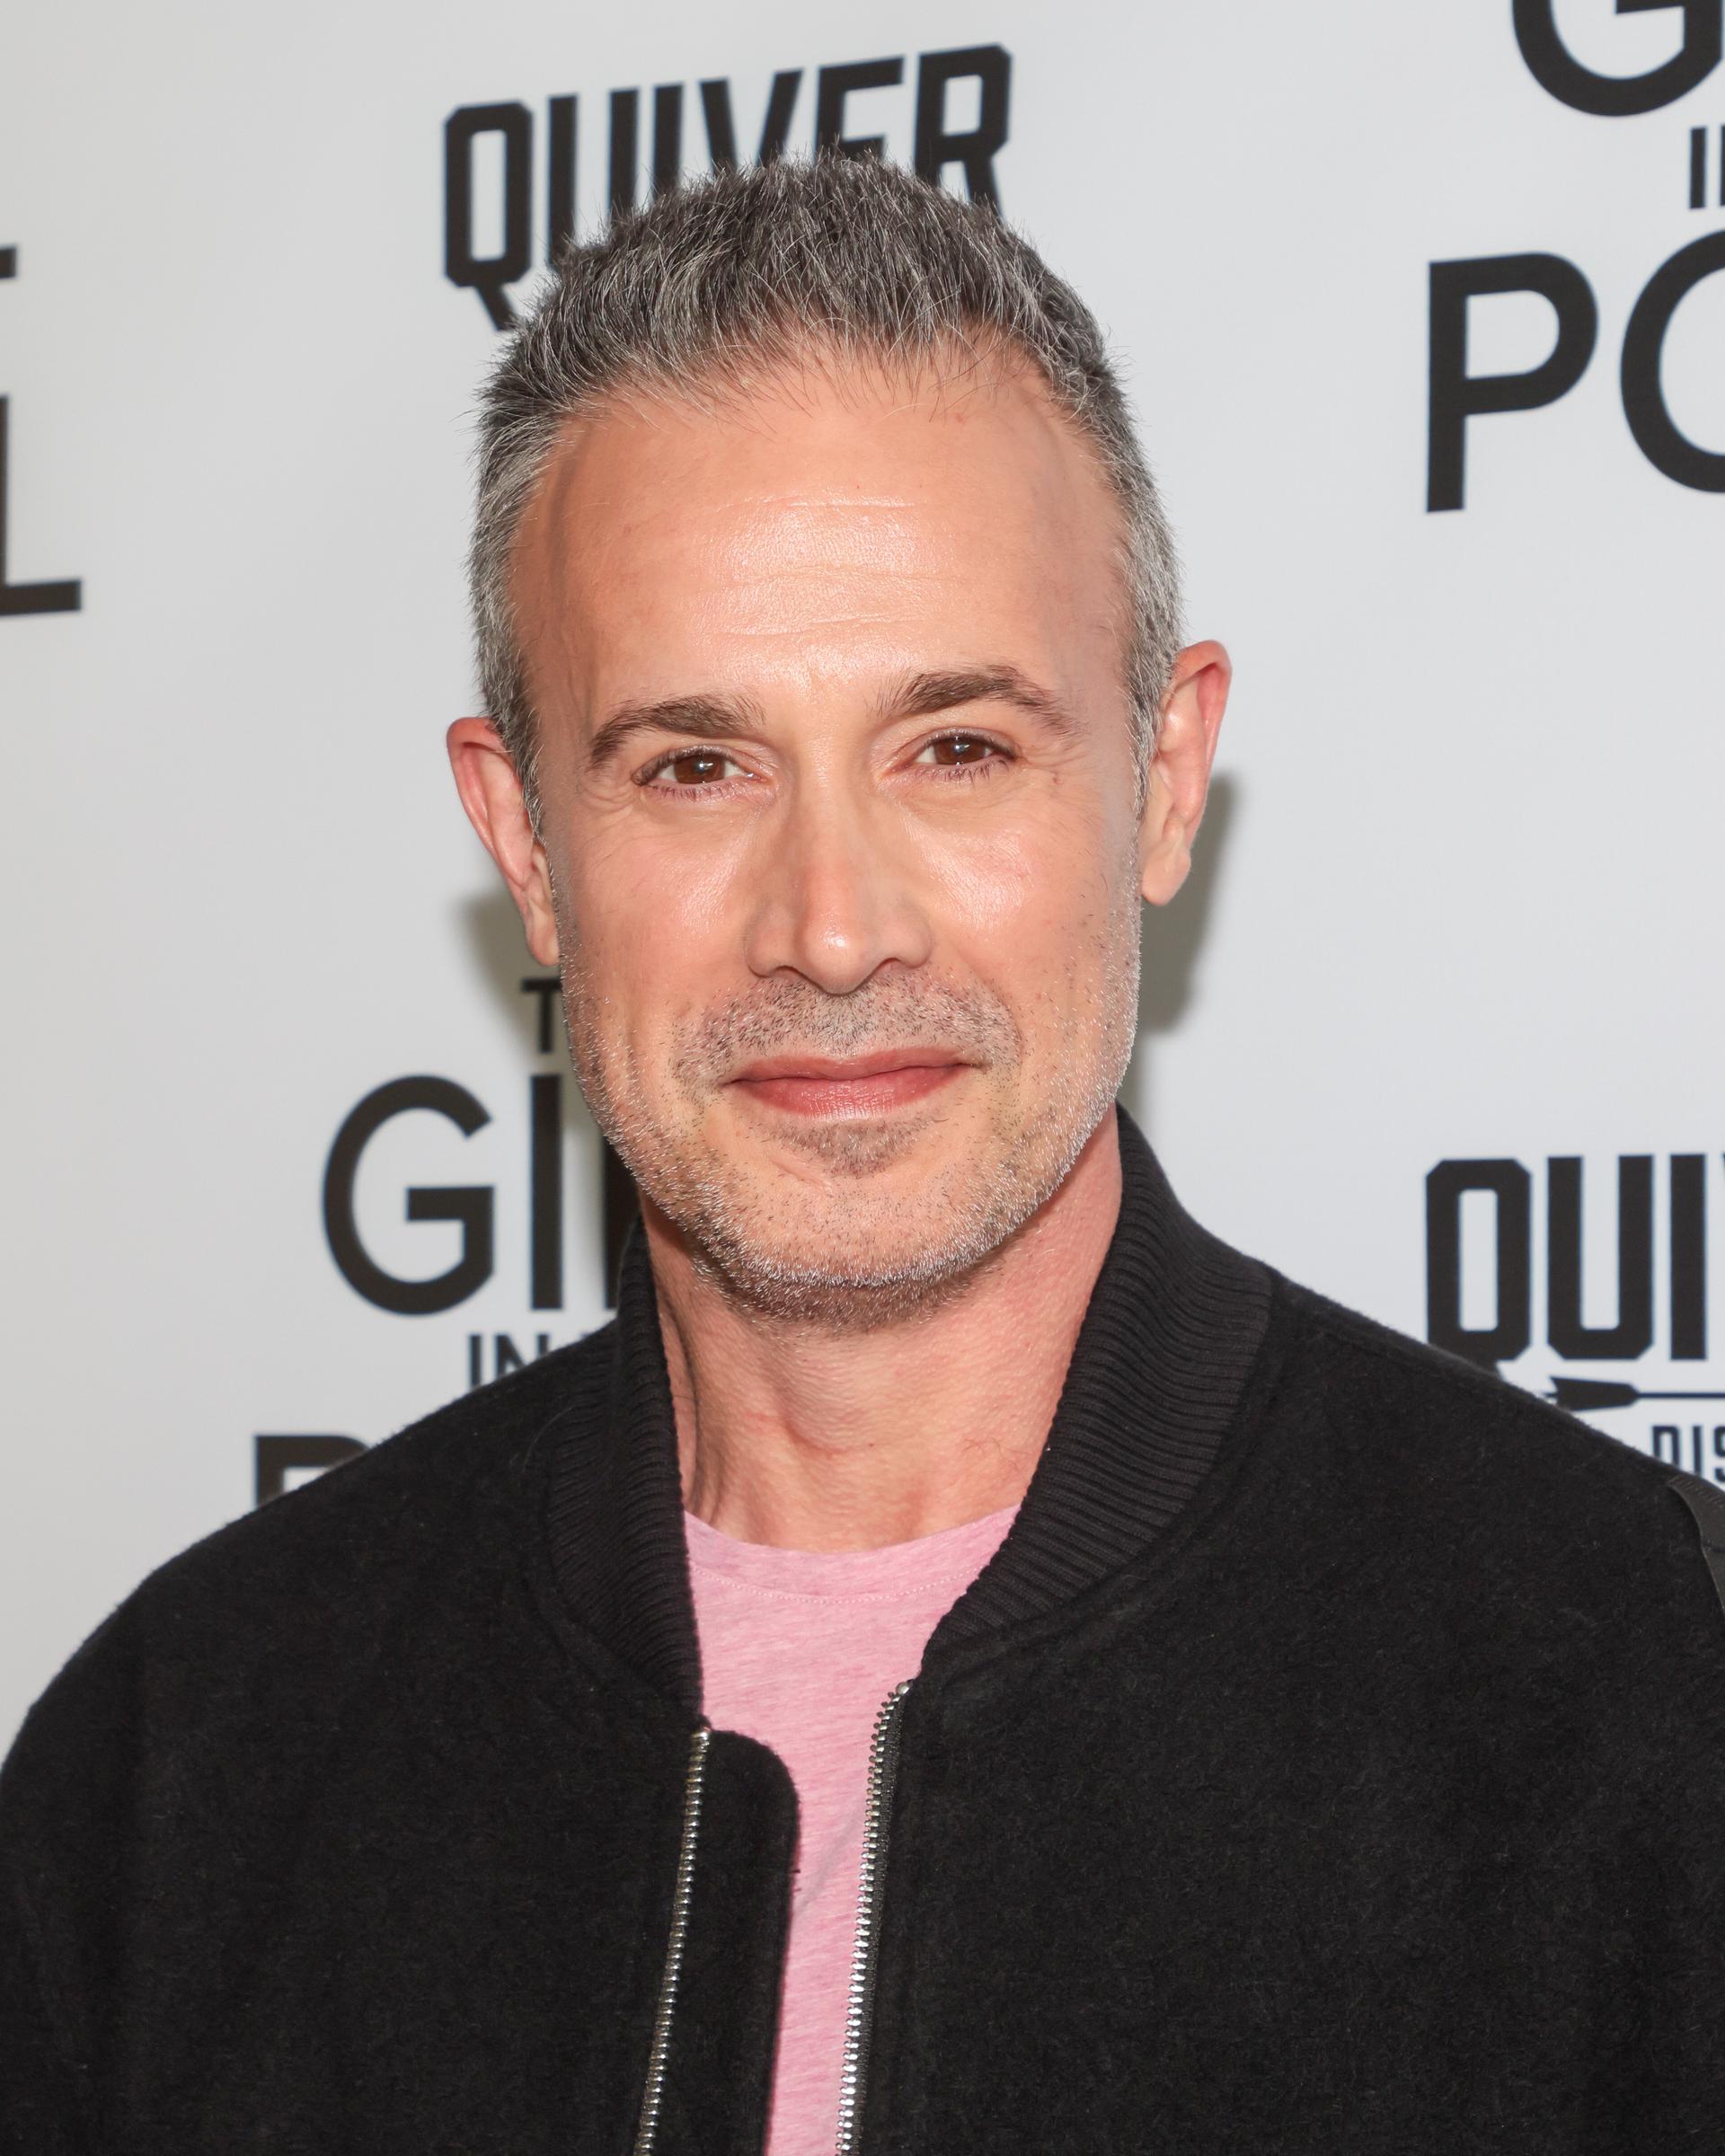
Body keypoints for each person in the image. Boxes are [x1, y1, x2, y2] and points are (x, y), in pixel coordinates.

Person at [4, 152, 1723, 2156]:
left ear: (1161, 782)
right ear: (526, 846)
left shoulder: (1634, 1698)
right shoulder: (183, 1762)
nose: (834, 926)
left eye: (959, 749)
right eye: (696, 767)